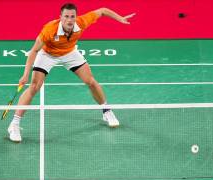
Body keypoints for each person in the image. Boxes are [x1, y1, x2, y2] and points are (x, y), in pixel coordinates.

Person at [7, 3, 135, 142]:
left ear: (76, 17)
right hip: (48, 55)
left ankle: (106, 111)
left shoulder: (81, 22)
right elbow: (34, 50)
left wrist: (120, 18)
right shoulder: (49, 30)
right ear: (60, 17)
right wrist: (25, 74)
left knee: (90, 81)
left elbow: (102, 10)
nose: (69, 19)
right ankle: (14, 124)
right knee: (34, 87)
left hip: (69, 53)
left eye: (72, 16)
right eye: (66, 16)